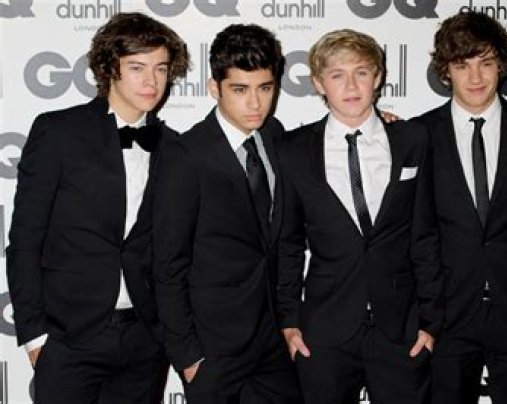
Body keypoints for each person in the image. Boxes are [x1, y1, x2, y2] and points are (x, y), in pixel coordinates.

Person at [6, 12, 189, 404]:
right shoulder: (58, 132)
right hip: (68, 339)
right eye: (137, 67)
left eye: (160, 68)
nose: (151, 81)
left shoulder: (174, 147)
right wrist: (35, 337)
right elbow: (24, 240)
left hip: (144, 341)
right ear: (110, 69)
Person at [276, 29, 442, 403]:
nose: (351, 86)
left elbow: (425, 236)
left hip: (401, 329)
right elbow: (288, 245)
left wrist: (430, 322)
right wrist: (289, 322)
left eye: (361, 72)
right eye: (337, 75)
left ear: (378, 77)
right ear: (318, 83)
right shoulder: (294, 150)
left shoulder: (412, 139)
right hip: (324, 329)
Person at [152, 23, 301, 404]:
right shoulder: (186, 155)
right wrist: (188, 357)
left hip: (272, 342)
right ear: (214, 87)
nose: (255, 104)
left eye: (265, 88)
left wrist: (288, 321)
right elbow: (168, 265)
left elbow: (283, 241)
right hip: (213, 350)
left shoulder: (275, 135)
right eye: (240, 89)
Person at [413, 10, 507, 404]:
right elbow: (416, 230)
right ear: (445, 71)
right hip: (448, 314)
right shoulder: (418, 134)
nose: (475, 77)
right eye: (462, 65)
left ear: (502, 66)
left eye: (485, 63)